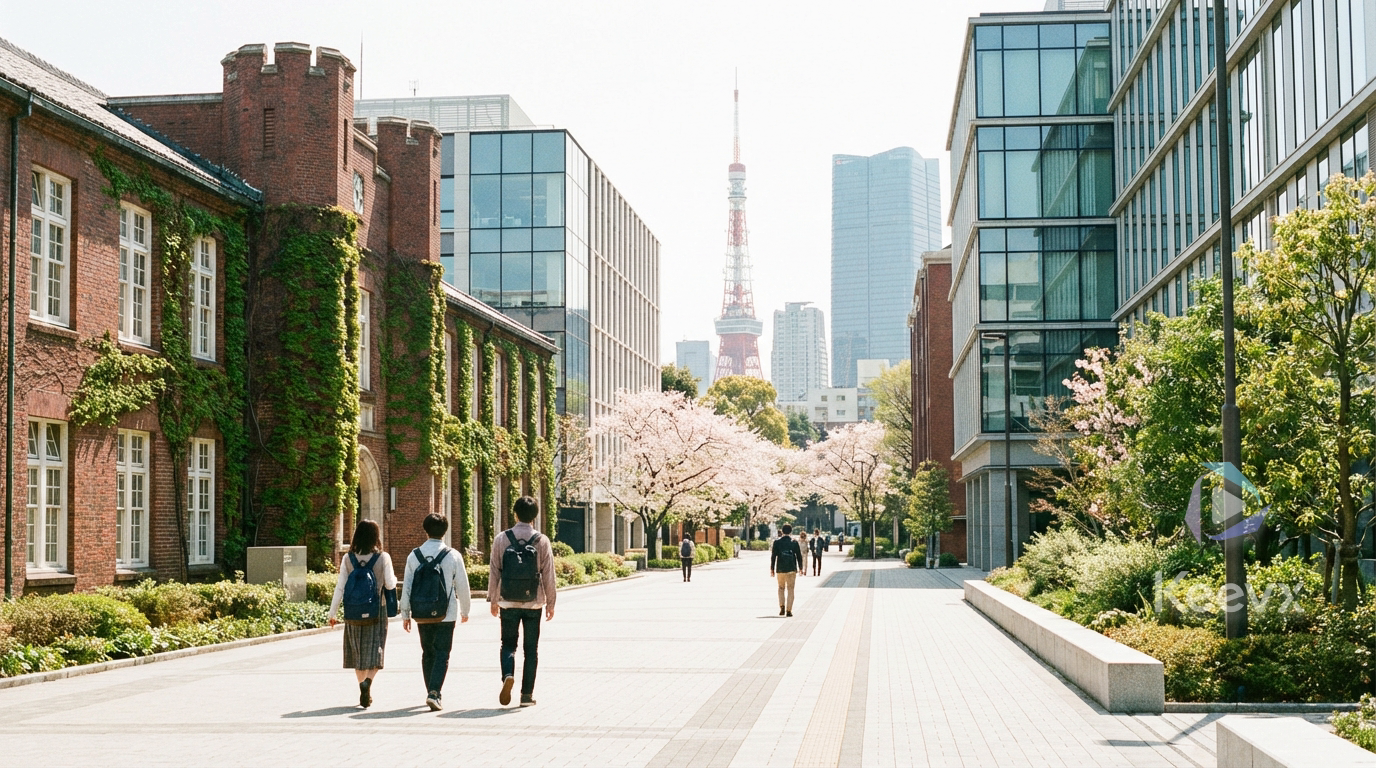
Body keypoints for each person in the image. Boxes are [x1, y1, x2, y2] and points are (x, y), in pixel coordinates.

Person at [489, 496, 557, 707]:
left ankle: (508, 674)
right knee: (531, 650)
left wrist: (493, 598)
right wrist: (551, 603)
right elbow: (548, 574)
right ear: (534, 516)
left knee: (507, 644)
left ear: (515, 514)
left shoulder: (501, 538)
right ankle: (526, 695)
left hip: (507, 601)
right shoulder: (541, 540)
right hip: (533, 603)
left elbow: (494, 569)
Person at [398, 513, 471, 712]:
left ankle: (431, 690)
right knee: (442, 653)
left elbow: (407, 586)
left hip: (422, 612)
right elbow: (462, 585)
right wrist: (465, 609)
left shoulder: (414, 555)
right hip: (446, 613)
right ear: (445, 531)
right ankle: (434, 692)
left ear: (425, 529)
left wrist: (405, 613)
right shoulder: (453, 555)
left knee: (427, 652)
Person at [328, 519, 397, 709]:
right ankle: (368, 682)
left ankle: (361, 686)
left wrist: (332, 613)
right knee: (376, 650)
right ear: (376, 536)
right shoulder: (383, 558)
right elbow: (390, 584)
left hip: (353, 611)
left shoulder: (347, 559)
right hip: (377, 610)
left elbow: (340, 587)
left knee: (357, 652)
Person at [770, 524, 804, 617]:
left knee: (781, 588)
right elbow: (799, 556)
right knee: (791, 589)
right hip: (791, 568)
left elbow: (773, 556)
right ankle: (789, 610)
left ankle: (782, 607)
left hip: (780, 568)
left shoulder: (777, 542)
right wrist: (801, 568)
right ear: (791, 531)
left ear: (782, 531)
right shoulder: (794, 542)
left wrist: (772, 568)